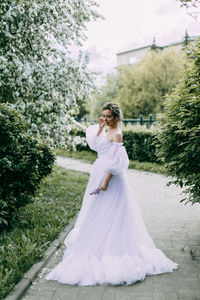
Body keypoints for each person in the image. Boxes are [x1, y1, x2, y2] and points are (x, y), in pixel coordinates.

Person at [45, 102, 178, 286]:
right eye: (104, 116)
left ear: (116, 117)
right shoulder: (104, 129)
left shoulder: (117, 133)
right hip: (98, 170)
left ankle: (114, 247)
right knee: (96, 209)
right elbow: (94, 145)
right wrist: (99, 128)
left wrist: (106, 180)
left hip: (112, 178)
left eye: (109, 116)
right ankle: (96, 243)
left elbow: (117, 160)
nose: (106, 119)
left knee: (114, 212)